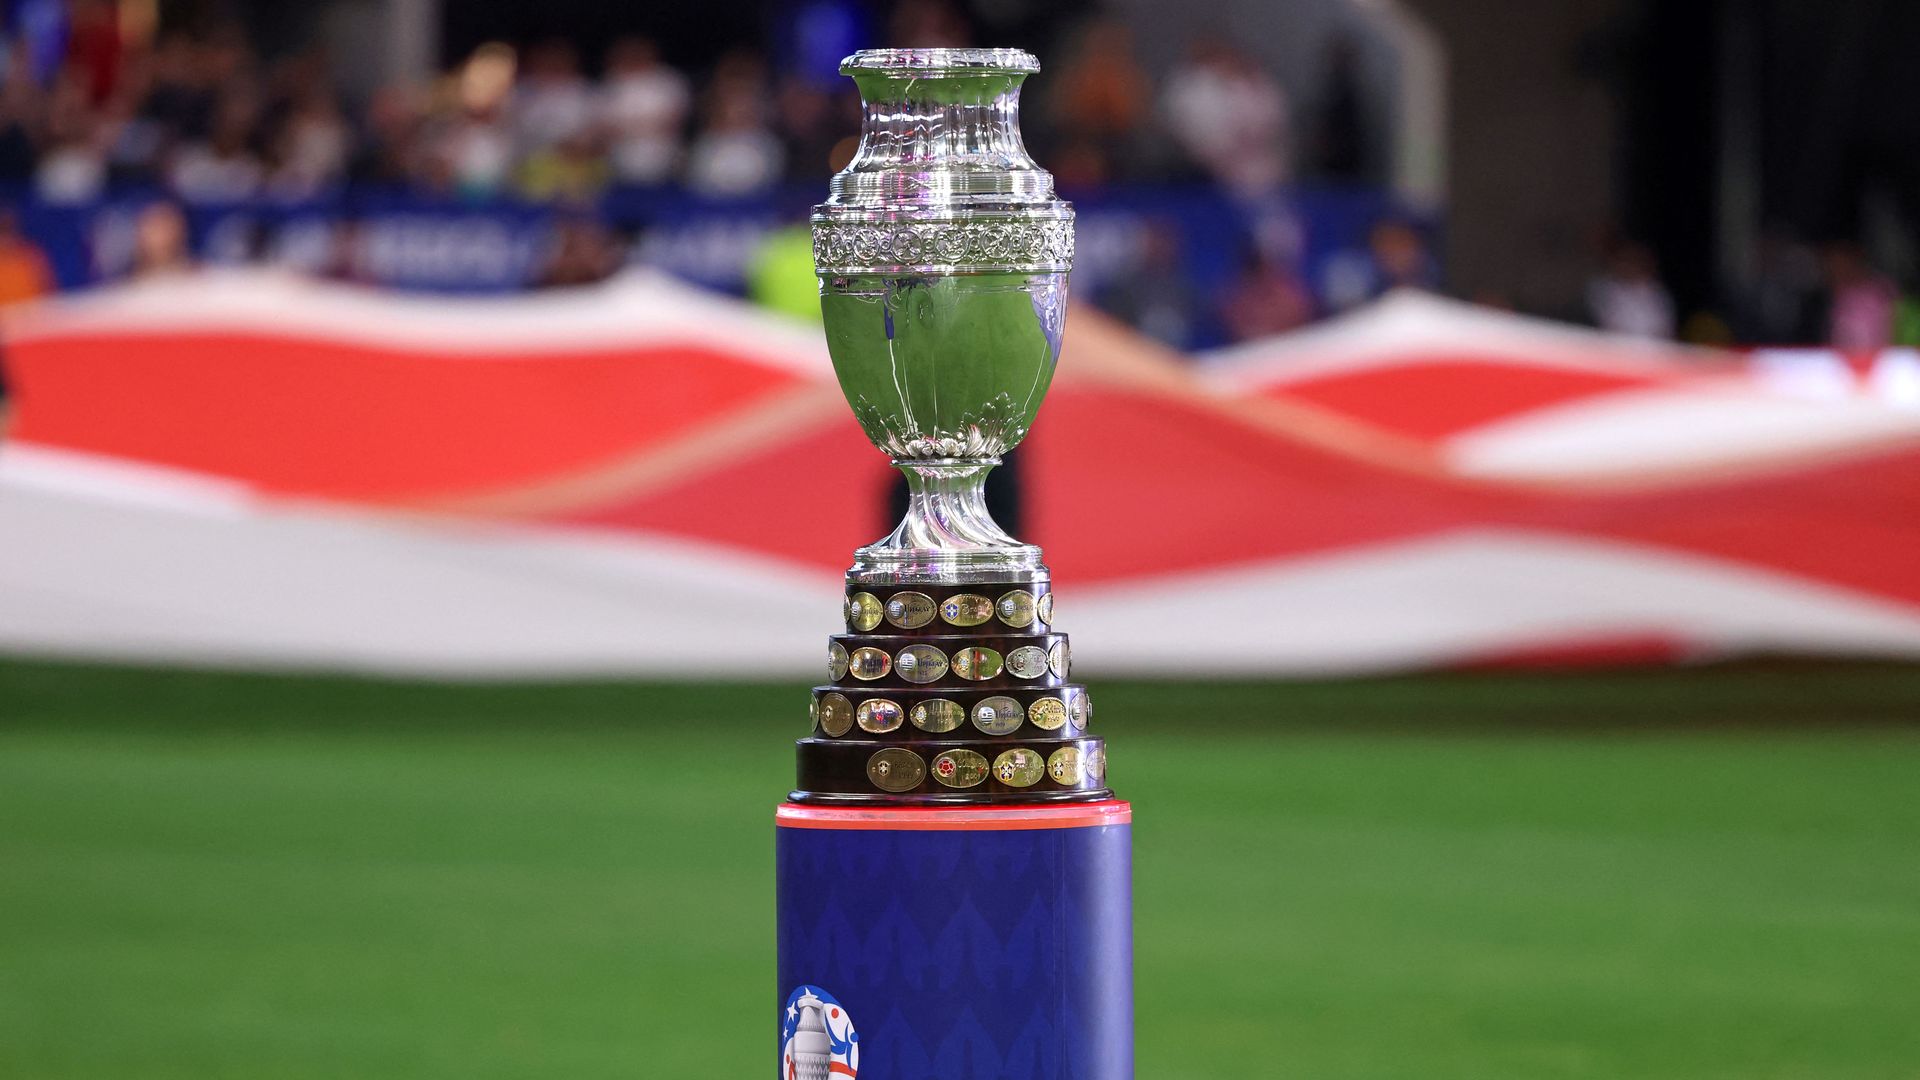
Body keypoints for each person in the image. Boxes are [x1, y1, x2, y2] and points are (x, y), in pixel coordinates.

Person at [601, 38, 689, 186]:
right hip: (620, 164)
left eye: (638, 52)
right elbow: (605, 127)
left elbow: (673, 120)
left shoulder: (668, 79)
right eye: (628, 53)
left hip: (664, 162)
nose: (633, 56)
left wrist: (630, 128)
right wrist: (644, 126)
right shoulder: (611, 83)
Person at [1586, 240, 1675, 339]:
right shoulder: (1605, 289)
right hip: (1616, 346)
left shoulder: (1656, 292)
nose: (1633, 266)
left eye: (1638, 261)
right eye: (1628, 261)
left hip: (1653, 347)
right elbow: (1608, 325)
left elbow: (1665, 328)